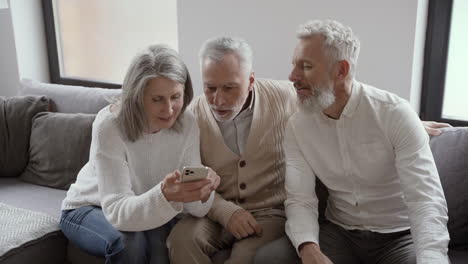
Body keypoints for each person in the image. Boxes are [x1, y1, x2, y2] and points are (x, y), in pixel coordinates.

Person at [257, 20, 450, 264]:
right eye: (294, 65)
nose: (292, 76)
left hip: (400, 236)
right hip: (339, 234)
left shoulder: (395, 114)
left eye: (305, 66)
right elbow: (300, 198)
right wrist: (308, 248)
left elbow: (425, 199)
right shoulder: (298, 126)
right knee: (270, 259)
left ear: (341, 71)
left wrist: (432, 258)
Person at [60, 44, 220, 264]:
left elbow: (197, 209)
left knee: (160, 246)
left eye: (175, 96)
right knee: (129, 242)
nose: (169, 109)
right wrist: (166, 194)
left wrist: (204, 187)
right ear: (137, 96)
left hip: (141, 206)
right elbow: (117, 211)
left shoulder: (187, 123)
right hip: (89, 207)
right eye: (157, 99)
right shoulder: (110, 127)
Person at [167, 37, 298, 264]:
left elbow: (328, 106)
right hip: (214, 211)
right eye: (210, 88)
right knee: (181, 240)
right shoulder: (190, 117)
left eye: (229, 88)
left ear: (251, 80)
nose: (219, 100)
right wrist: (226, 212)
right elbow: (189, 179)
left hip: (270, 213)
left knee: (245, 258)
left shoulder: (287, 97)